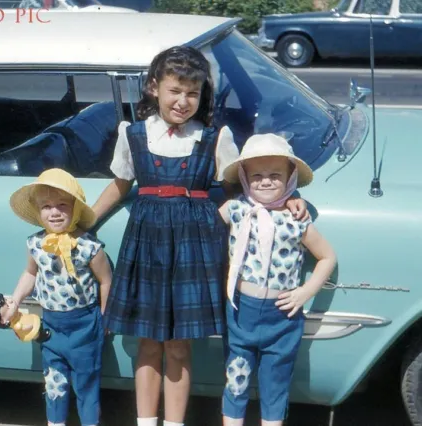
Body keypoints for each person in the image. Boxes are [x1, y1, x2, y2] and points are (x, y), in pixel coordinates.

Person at [91, 46, 308, 426]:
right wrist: (85, 220)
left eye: (192, 93)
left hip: (194, 247)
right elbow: (120, 184)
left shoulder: (214, 138)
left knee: (178, 346)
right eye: (175, 91)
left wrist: (288, 200)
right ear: (153, 88)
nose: (183, 101)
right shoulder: (134, 134)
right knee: (147, 343)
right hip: (147, 245)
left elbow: (244, 185)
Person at [218, 133, 337, 426]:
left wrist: (305, 292)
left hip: (282, 316)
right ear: (244, 179)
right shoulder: (235, 209)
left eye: (275, 175)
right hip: (241, 311)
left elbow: (327, 257)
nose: (266, 181)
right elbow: (201, 226)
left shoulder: (297, 218)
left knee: (275, 386)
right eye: (256, 175)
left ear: (290, 178)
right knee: (236, 380)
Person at [2, 168, 112, 426]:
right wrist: (15, 301)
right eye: (47, 206)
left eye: (62, 205)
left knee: (87, 385)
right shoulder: (36, 245)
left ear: (75, 209)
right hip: (50, 326)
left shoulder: (89, 246)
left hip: (85, 326)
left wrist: (106, 317)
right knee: (54, 383)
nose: (54, 212)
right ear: (38, 211)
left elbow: (106, 281)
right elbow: (30, 274)